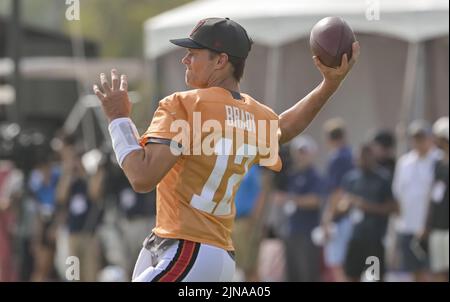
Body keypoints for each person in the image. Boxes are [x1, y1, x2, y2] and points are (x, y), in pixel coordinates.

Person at [93, 17, 360, 282]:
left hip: (186, 249)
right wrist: (329, 85)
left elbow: (142, 176)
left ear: (221, 61)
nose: (184, 60)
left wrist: (118, 119)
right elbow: (284, 128)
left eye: (193, 53)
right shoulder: (255, 114)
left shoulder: (184, 105)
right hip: (218, 256)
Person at [392, 120, 442, 282]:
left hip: (433, 228)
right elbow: (398, 193)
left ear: (430, 139)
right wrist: (401, 222)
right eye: (415, 138)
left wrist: (428, 224)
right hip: (408, 227)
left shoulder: (439, 160)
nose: (418, 142)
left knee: (437, 272)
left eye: (422, 137)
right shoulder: (404, 162)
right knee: (415, 272)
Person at [341, 143, 397, 281]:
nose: (361, 160)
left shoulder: (383, 178)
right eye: (358, 157)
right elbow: (342, 205)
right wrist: (345, 205)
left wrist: (365, 206)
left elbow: (392, 208)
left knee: (374, 277)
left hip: (374, 239)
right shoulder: (351, 178)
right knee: (351, 276)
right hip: (355, 237)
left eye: (365, 157)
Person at [281, 135, 324, 282]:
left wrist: (291, 199)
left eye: (304, 152)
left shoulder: (314, 176)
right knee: (292, 274)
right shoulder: (292, 175)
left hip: (307, 232)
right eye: (298, 152)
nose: (301, 156)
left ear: (311, 153)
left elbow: (315, 200)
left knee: (308, 274)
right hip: (292, 230)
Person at [320, 118, 355, 282]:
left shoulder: (337, 157)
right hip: (353, 213)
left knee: (337, 263)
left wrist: (327, 219)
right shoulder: (351, 154)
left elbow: (337, 191)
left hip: (340, 217)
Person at [422, 117, 449, 282]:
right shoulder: (438, 164)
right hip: (437, 227)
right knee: (438, 270)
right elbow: (432, 197)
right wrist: (427, 225)